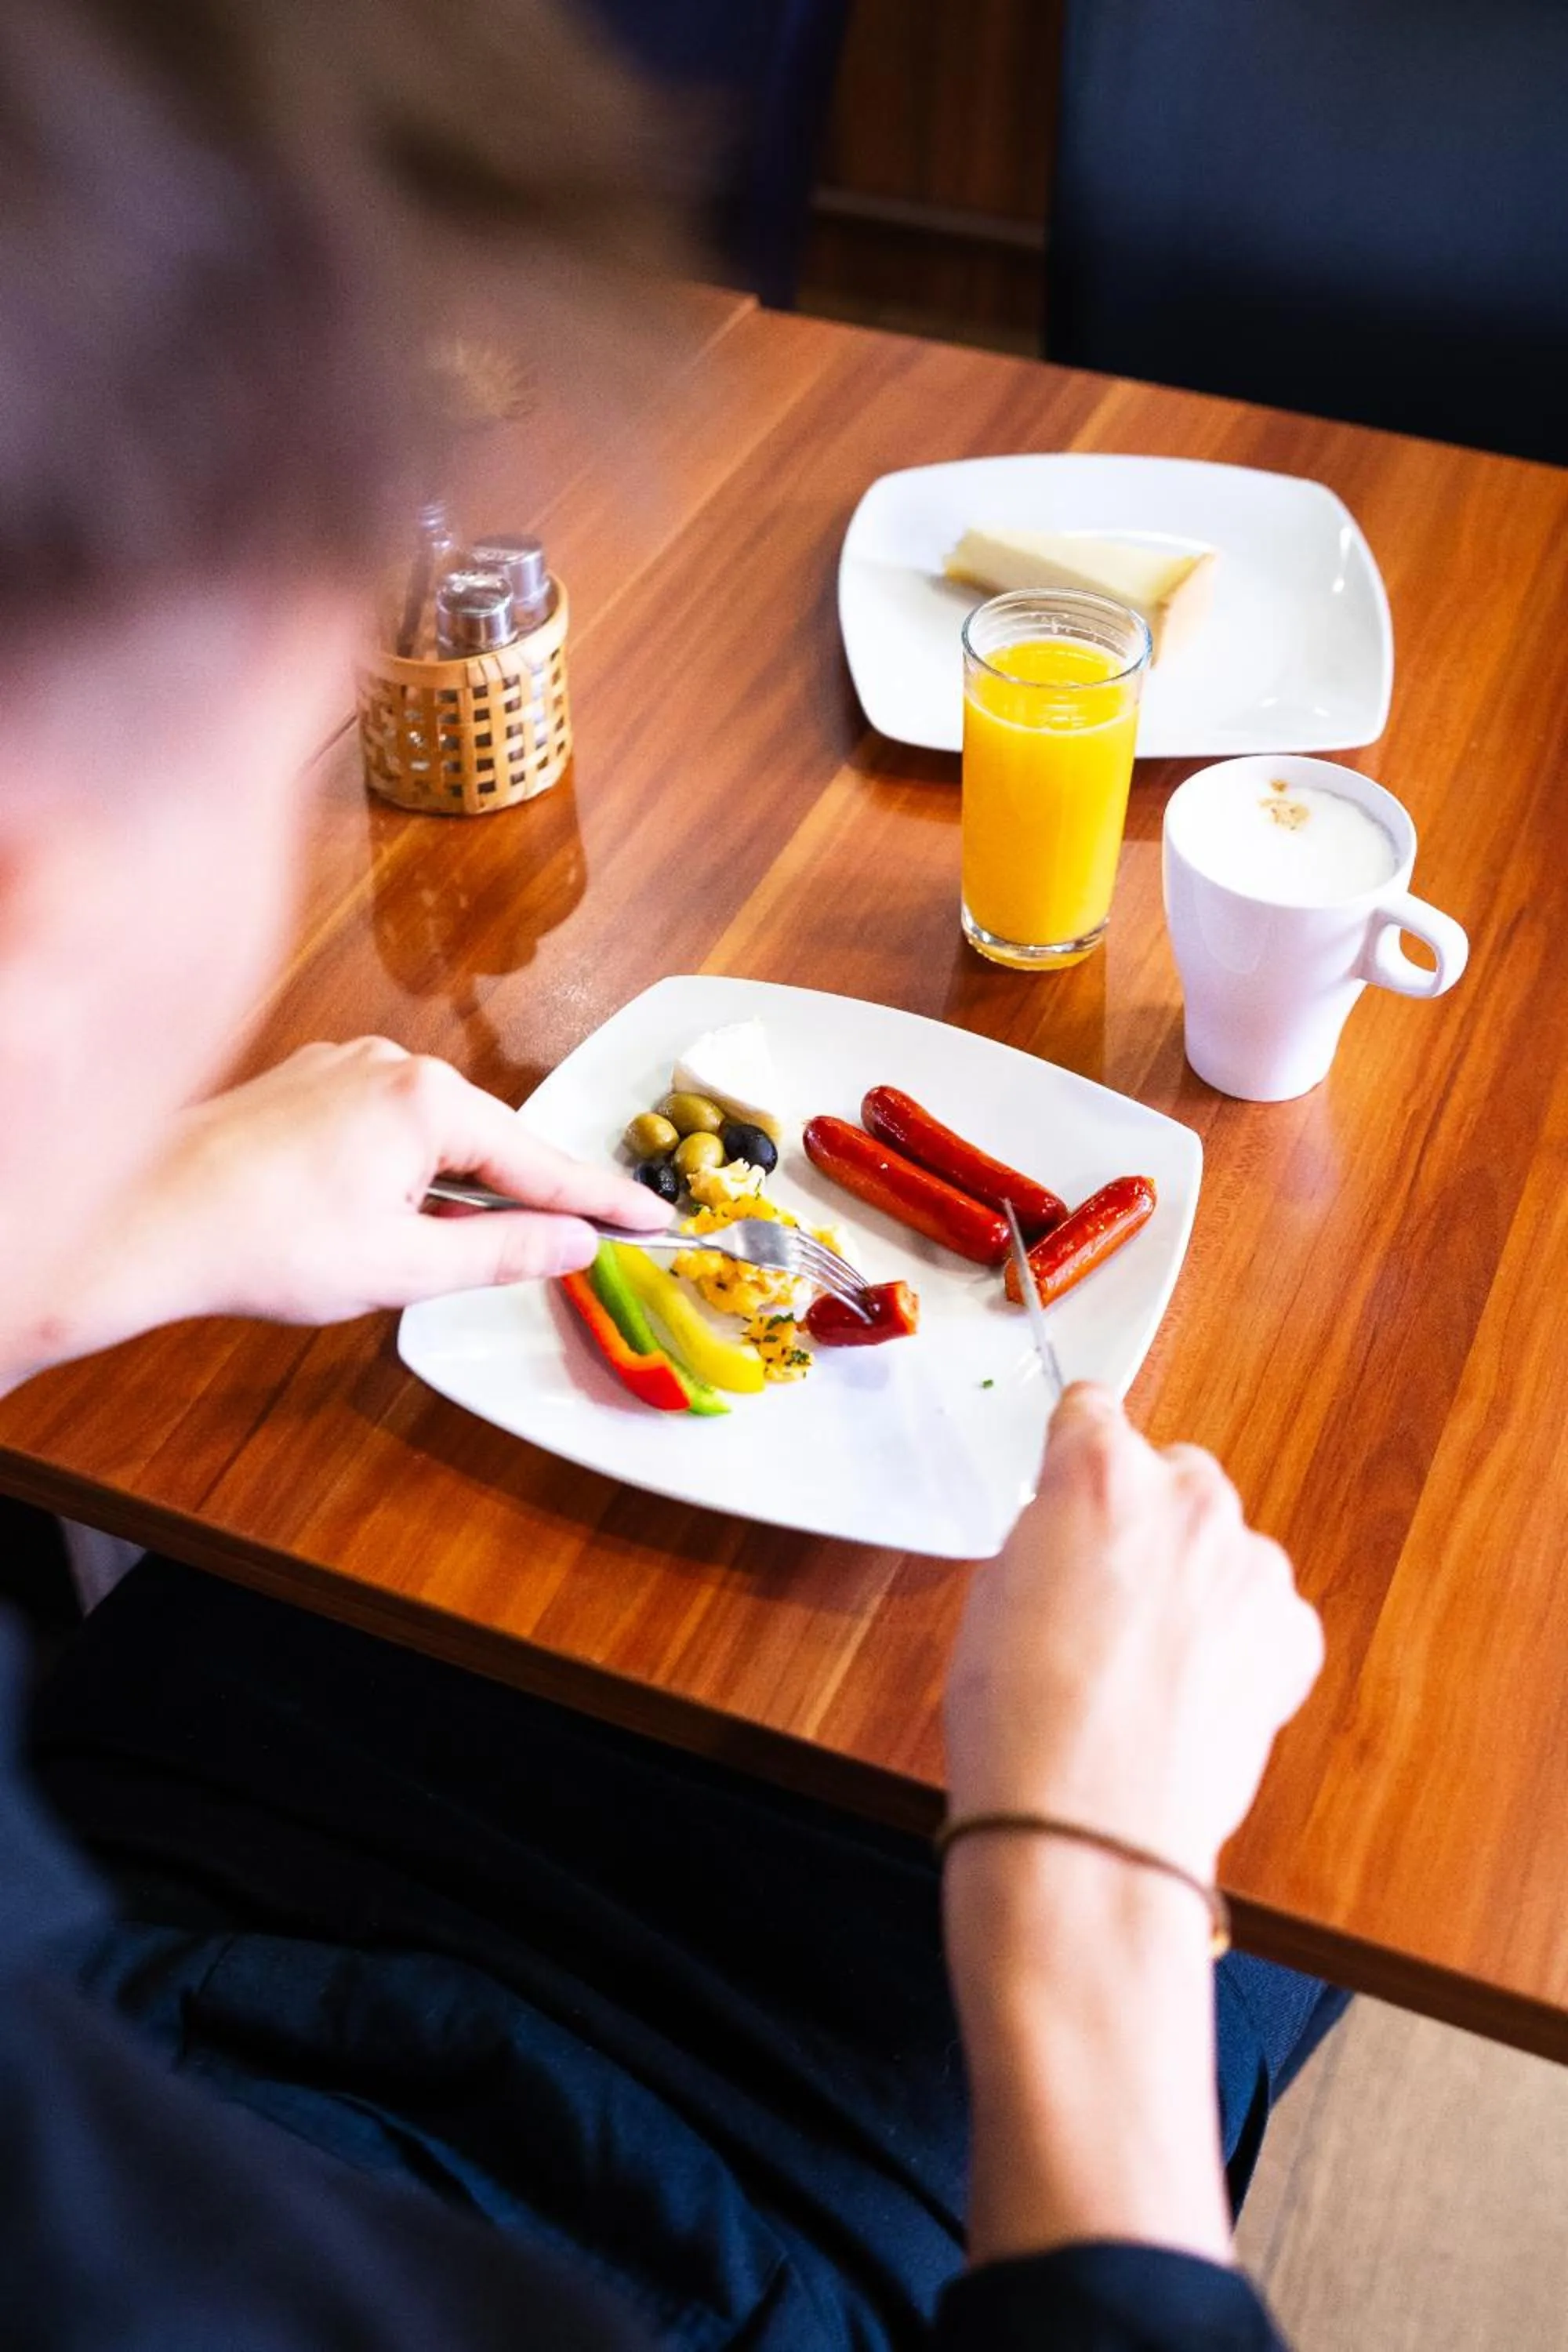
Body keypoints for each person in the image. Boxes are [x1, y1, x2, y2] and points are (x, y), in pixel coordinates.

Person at [0, 2, 1338, 2344]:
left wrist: (88, 1239)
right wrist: (1092, 1896)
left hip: (196, 1864)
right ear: (46, 871)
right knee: (1291, 1884)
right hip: (644, 2180)